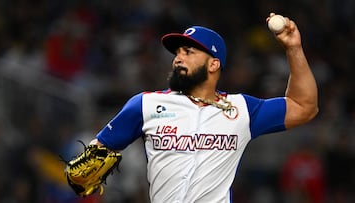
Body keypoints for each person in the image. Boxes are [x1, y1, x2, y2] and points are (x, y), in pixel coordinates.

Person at [90, 13, 318, 203]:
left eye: (188, 52)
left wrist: (294, 48)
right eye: (177, 52)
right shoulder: (146, 104)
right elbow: (98, 151)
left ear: (213, 63)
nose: (178, 58)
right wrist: (88, 160)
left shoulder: (242, 109)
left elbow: (304, 106)